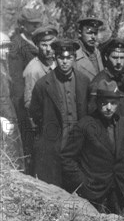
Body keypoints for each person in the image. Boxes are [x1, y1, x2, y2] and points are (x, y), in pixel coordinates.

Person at [61, 79, 124, 214]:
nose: (109, 107)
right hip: (92, 192)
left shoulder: (122, 123)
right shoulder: (85, 125)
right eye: (104, 103)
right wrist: (82, 183)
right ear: (97, 103)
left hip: (117, 191)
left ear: (118, 103)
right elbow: (67, 158)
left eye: (113, 103)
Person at [30, 40, 89, 187]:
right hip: (54, 145)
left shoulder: (84, 81)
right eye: (61, 58)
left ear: (74, 58)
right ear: (55, 58)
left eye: (69, 58)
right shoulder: (43, 84)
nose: (65, 62)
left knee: (77, 189)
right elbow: (36, 113)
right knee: (55, 186)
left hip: (78, 146)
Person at [8, 6, 44, 170]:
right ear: (23, 25)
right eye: (32, 24)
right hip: (25, 101)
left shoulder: (37, 42)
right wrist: (22, 108)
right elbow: (16, 81)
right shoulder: (17, 46)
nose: (36, 27)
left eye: (38, 24)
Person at [87, 38, 124, 114]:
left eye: (122, 58)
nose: (119, 62)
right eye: (115, 58)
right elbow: (92, 112)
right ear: (106, 57)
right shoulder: (98, 82)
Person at [0, 31, 23, 163]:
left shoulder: (4, 67)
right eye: (3, 47)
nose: (6, 50)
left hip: (9, 117)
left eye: (8, 47)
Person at [23, 25, 57, 110]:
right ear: (37, 45)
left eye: (52, 45)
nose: (49, 49)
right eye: (44, 45)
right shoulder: (33, 70)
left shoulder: (58, 61)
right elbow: (29, 104)